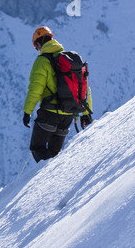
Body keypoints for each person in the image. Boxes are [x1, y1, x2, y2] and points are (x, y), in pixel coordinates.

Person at [23, 26, 93, 163]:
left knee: (37, 148)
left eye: (36, 47)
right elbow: (84, 88)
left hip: (49, 114)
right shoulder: (69, 61)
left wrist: (27, 111)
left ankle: (49, 181)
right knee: (55, 154)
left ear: (38, 44)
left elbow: (35, 89)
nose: (37, 50)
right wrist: (86, 114)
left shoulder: (42, 61)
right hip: (68, 116)